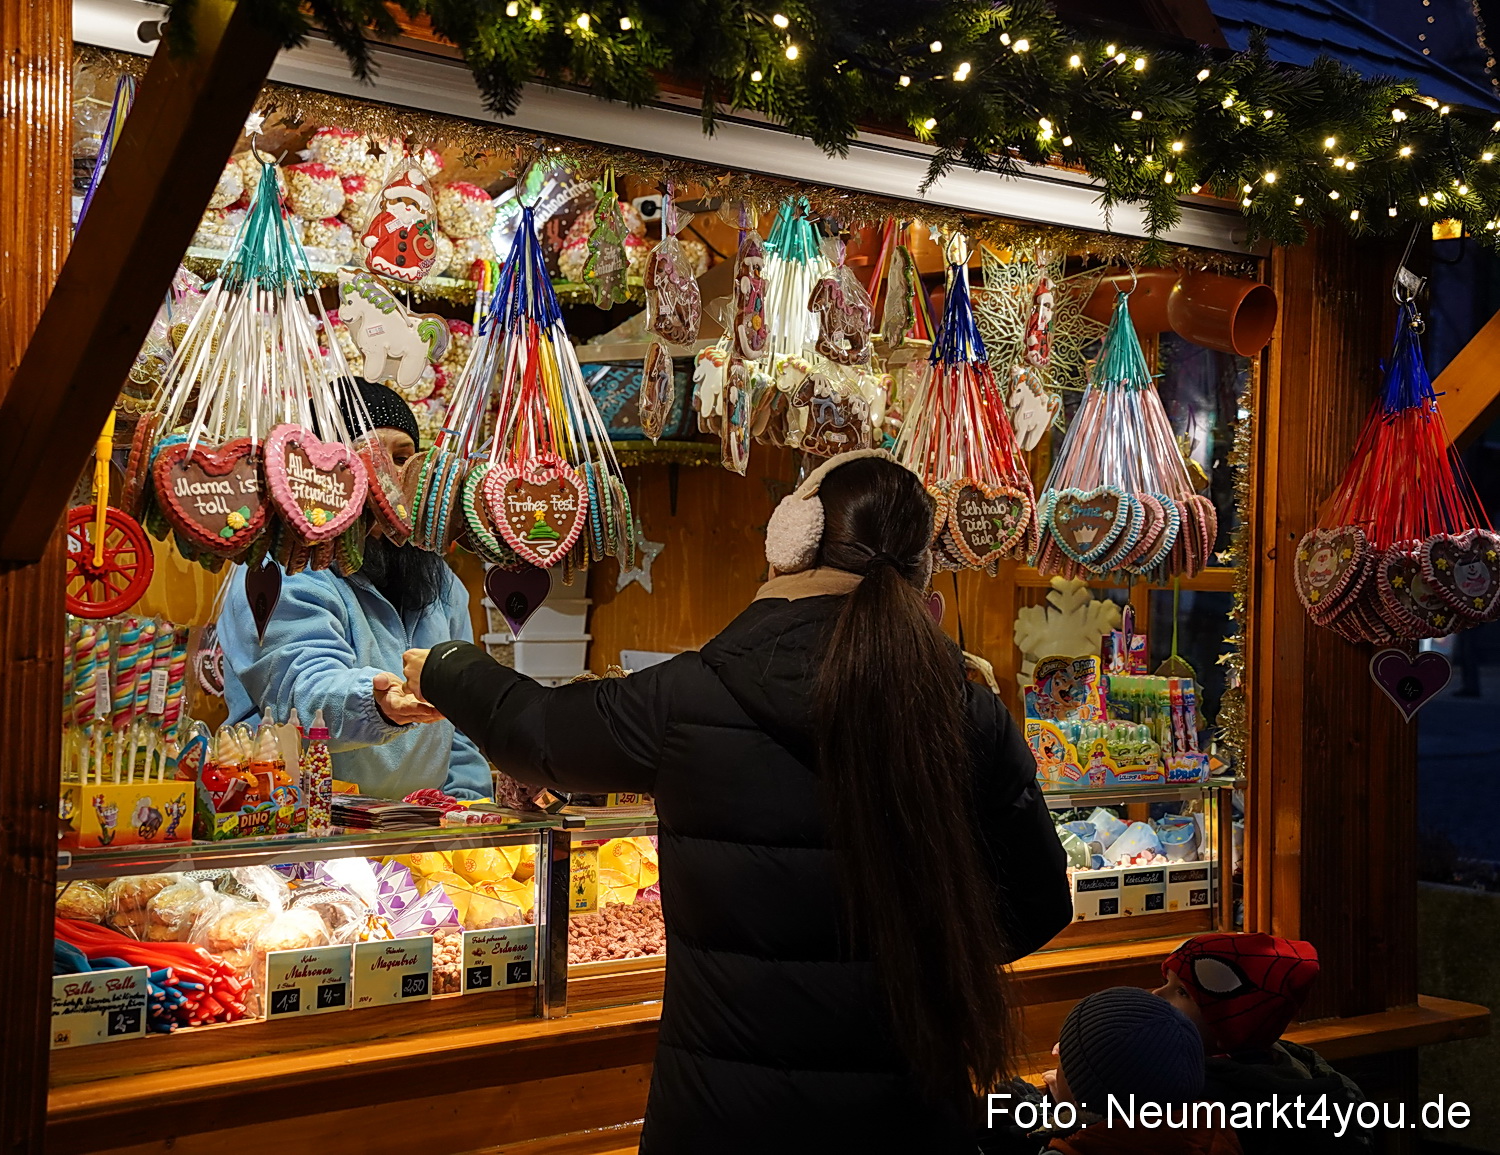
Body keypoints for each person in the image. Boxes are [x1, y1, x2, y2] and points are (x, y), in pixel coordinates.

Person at [404, 450, 1072, 1150]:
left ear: (791, 543)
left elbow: (534, 733)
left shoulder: (688, 695)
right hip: (902, 1117)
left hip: (718, 1121)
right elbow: (1036, 905)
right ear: (921, 571)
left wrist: (446, 668)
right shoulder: (968, 712)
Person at [216, 380, 490, 800]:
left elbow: (461, 724)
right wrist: (377, 702)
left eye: (402, 459)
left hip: (416, 828)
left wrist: (469, 811)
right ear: (322, 476)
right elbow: (297, 690)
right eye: (365, 460)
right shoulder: (279, 570)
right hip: (298, 821)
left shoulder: (440, 582)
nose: (390, 478)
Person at [1156, 934, 1372, 1154]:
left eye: (1182, 992)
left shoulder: (1214, 1104)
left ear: (1232, 1023)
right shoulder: (1293, 1067)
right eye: (1166, 982)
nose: (1157, 994)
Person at [1041, 987, 1240, 1155]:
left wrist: (1060, 1119)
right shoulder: (1214, 1129)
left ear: (1082, 1097)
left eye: (1064, 1061)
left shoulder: (1076, 1147)